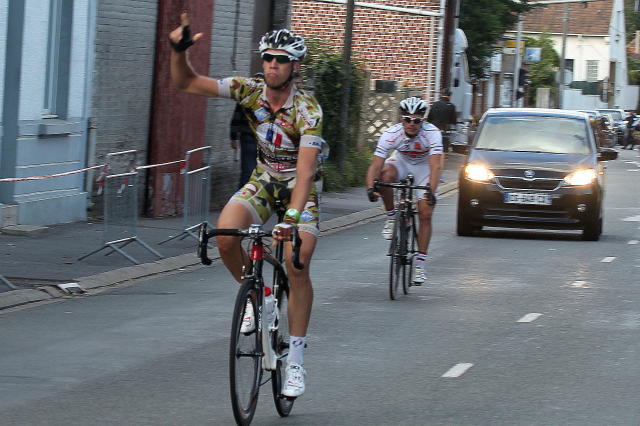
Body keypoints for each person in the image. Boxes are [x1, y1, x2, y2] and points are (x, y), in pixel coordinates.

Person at [169, 14, 323, 398]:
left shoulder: (309, 110)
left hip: (297, 188)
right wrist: (178, 51)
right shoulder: (247, 89)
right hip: (263, 180)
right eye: (268, 57)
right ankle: (260, 297)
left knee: (295, 261)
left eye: (282, 59)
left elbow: (304, 174)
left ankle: (297, 362)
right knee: (225, 236)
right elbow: (186, 82)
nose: (273, 63)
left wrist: (290, 220)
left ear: (295, 67)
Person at [365, 97, 443, 285]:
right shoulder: (391, 134)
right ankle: (391, 217)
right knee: (385, 177)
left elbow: (435, 166)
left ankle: (420, 265)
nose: (411, 124)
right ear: (401, 119)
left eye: (416, 120)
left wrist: (430, 191)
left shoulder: (432, 134)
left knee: (425, 213)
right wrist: (370, 187)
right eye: (407, 119)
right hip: (401, 162)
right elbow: (376, 164)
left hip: (424, 168)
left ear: (422, 121)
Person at [230, 102, 258, 188]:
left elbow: (236, 116)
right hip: (251, 137)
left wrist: (233, 137)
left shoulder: (246, 95)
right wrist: (233, 137)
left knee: (248, 172)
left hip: (250, 137)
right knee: (249, 172)